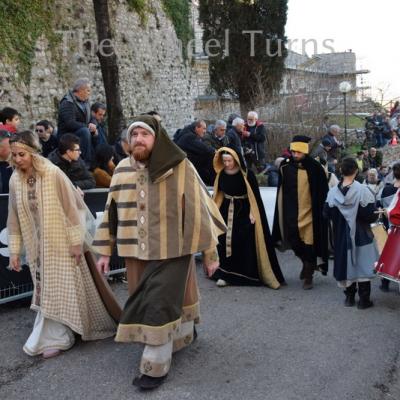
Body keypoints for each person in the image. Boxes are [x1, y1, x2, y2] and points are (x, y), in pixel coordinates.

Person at [93, 115, 226, 390]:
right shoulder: (120, 169)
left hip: (172, 250)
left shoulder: (180, 166)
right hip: (134, 250)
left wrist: (211, 254)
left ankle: (154, 365)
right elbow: (111, 213)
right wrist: (104, 252)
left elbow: (201, 210)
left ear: (157, 138)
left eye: (144, 134)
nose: (138, 140)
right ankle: (184, 333)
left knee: (157, 304)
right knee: (145, 299)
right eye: (134, 135)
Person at [7, 131, 116, 359]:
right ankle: (61, 331)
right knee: (47, 289)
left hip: (62, 242)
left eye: (22, 154)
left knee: (62, 289)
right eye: (14, 155)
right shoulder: (14, 179)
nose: (17, 159)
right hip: (37, 246)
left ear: (34, 152)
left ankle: (60, 336)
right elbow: (13, 218)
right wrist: (15, 252)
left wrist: (76, 243)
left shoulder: (53, 173)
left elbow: (72, 210)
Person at [211, 146, 285, 287]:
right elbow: (218, 193)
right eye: (224, 161)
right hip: (226, 211)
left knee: (241, 241)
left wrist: (252, 212)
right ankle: (225, 274)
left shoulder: (247, 174)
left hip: (243, 211)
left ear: (236, 159)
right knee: (223, 241)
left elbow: (254, 196)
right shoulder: (221, 174)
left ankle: (244, 274)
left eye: (229, 161)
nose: (227, 163)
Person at [272, 135, 329, 290]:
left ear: (305, 151)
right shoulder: (285, 166)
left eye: (299, 152)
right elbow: (281, 190)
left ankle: (309, 274)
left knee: (309, 243)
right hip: (291, 212)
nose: (295, 155)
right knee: (294, 240)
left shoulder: (315, 168)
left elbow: (323, 191)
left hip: (310, 212)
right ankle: (306, 263)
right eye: (293, 152)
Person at [324, 157, 378, 309]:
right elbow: (369, 215)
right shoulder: (363, 190)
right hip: (361, 234)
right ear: (356, 171)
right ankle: (364, 300)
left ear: (340, 170)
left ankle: (349, 298)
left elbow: (326, 213)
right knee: (363, 265)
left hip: (341, 235)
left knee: (346, 264)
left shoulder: (332, 193)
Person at [57, 78, 96, 164]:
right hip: (67, 135)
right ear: (80, 90)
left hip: (81, 131)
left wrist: (93, 124)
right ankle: (86, 163)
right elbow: (70, 123)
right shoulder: (67, 102)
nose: (90, 93)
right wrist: (87, 127)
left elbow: (92, 117)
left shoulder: (85, 102)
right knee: (85, 131)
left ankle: (97, 160)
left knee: (97, 130)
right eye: (88, 90)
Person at [173, 120, 216, 185]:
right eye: (204, 128)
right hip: (184, 167)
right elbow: (204, 149)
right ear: (197, 128)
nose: (205, 131)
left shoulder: (186, 134)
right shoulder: (189, 137)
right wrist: (215, 151)